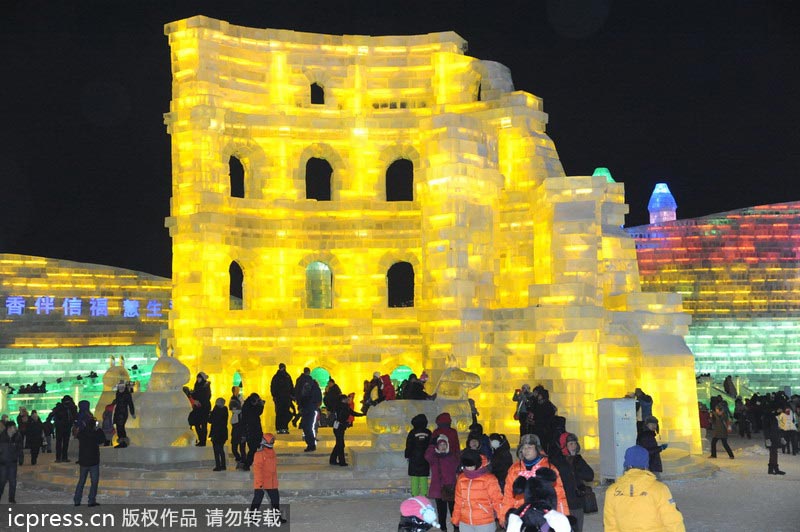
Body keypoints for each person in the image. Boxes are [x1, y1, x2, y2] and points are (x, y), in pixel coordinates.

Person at [603, 445, 685, 532]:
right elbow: (672, 521)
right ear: (646, 465)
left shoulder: (612, 491)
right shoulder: (659, 489)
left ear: (626, 465)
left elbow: (610, 526)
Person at [501, 433, 569, 517]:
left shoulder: (549, 468)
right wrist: (504, 516)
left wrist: (563, 516)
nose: (526, 450)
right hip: (520, 514)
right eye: (523, 447)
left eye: (530, 447)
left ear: (537, 449)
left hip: (544, 516)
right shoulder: (514, 469)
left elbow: (560, 495)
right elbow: (508, 495)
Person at [550, 432, 594, 532]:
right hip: (562, 502)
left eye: (575, 443)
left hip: (577, 502)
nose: (573, 446)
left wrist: (577, 467)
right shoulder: (557, 461)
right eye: (570, 444)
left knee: (577, 528)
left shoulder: (578, 460)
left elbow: (590, 475)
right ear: (564, 446)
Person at [451, 449, 504, 532]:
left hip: (484, 522)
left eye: (471, 465)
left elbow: (497, 500)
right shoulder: (461, 478)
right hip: (465, 521)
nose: (469, 468)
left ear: (477, 464)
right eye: (466, 465)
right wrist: (456, 518)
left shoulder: (489, 479)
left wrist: (502, 517)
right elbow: (458, 501)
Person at [424, 434, 460, 532]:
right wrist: (431, 445)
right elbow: (427, 456)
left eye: (444, 444)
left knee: (454, 510)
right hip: (438, 488)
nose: (443, 447)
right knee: (441, 511)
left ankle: (456, 528)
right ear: (437, 446)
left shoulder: (452, 457)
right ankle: (443, 528)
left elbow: (458, 466)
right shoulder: (434, 458)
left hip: (451, 487)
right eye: (440, 445)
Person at [249, 433, 287, 524]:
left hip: (272, 482)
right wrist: (259, 484)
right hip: (261, 482)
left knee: (275, 500)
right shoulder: (259, 454)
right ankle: (252, 517)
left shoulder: (272, 452)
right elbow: (258, 471)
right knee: (257, 500)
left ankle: (276, 517)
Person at [73, 410, 106, 507]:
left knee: (81, 481)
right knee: (94, 482)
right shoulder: (96, 433)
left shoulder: (82, 433)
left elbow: (76, 434)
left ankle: (77, 500)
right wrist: (99, 429)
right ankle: (91, 500)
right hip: (93, 461)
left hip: (84, 461)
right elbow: (102, 440)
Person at [329, 392, 365, 466]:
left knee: (339, 444)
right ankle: (341, 461)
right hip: (339, 427)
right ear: (342, 400)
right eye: (345, 398)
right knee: (341, 444)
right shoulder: (342, 407)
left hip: (339, 427)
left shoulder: (344, 406)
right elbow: (347, 415)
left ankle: (333, 459)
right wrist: (362, 414)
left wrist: (362, 414)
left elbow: (352, 413)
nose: (347, 399)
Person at [405, 414, 432, 496]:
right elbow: (431, 444)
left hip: (414, 458)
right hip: (425, 458)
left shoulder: (412, 432)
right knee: (424, 477)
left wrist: (407, 455)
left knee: (414, 477)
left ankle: (414, 494)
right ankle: (424, 494)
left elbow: (409, 445)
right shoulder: (428, 432)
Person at [241, 392, 265, 471]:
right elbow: (254, 414)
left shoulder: (250, 406)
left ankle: (248, 464)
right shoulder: (247, 407)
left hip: (255, 429)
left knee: (254, 448)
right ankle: (247, 464)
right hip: (250, 430)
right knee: (253, 448)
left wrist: (261, 406)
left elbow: (258, 413)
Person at [0, 421, 22, 503]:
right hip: (3, 463)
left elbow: (20, 449)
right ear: (9, 428)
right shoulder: (2, 436)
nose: (15, 428)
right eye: (14, 427)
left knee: (13, 481)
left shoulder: (18, 436)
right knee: (2, 481)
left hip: (13, 462)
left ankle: (11, 498)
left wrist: (21, 458)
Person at [299, 377, 322, 452]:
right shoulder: (312, 388)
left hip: (309, 410)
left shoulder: (309, 388)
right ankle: (311, 444)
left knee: (308, 427)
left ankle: (311, 444)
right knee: (308, 427)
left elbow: (303, 398)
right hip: (309, 409)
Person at [270, 363, 294, 434]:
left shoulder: (285, 376)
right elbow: (273, 387)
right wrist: (274, 396)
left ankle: (283, 427)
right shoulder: (280, 377)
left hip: (284, 398)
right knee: (280, 413)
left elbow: (291, 387)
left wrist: (292, 395)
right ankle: (280, 428)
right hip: (280, 398)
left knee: (284, 413)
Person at [763, 405, 786, 475]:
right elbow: (766, 429)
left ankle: (773, 469)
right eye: (779, 409)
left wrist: (781, 437)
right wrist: (767, 439)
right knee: (773, 453)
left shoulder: (775, 417)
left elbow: (778, 428)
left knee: (774, 453)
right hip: (771, 437)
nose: (780, 411)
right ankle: (773, 469)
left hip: (775, 437)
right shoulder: (769, 417)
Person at [190, 372, 211, 446]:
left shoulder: (206, 386)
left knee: (203, 424)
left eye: (199, 378)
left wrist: (199, 400)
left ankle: (203, 441)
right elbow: (196, 394)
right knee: (197, 424)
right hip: (197, 407)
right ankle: (201, 439)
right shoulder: (197, 385)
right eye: (197, 378)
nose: (198, 379)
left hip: (204, 407)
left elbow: (207, 396)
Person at [113, 381, 135, 448]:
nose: (120, 388)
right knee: (119, 427)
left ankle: (123, 442)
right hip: (118, 412)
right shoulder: (118, 393)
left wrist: (132, 413)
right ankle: (122, 441)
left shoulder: (126, 394)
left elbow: (130, 404)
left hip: (123, 412)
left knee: (120, 426)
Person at [209, 397, 229, 471]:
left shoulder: (216, 410)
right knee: (221, 449)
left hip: (216, 432)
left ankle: (218, 466)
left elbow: (211, 420)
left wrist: (210, 413)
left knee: (216, 450)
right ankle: (223, 465)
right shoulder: (225, 410)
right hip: (223, 432)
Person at [229, 386, 246, 466]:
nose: (238, 391)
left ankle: (242, 459)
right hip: (237, 426)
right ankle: (240, 458)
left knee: (241, 447)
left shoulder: (240, 399)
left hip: (241, 426)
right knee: (235, 447)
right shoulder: (233, 400)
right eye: (236, 390)